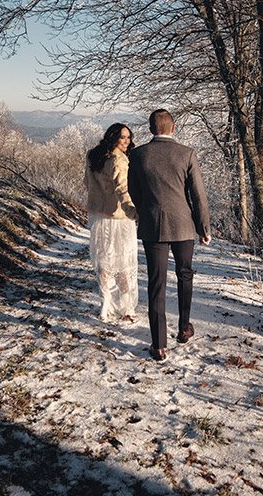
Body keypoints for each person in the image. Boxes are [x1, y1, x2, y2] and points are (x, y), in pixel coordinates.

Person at [128, 109, 211, 361]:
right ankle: (184, 328)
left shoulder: (138, 154)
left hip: (153, 226)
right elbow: (198, 195)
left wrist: (146, 211)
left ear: (151, 129)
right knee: (185, 274)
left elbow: (134, 191)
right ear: (172, 128)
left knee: (157, 283)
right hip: (183, 225)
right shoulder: (187, 154)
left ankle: (159, 345)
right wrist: (203, 228)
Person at [84, 124, 138, 322]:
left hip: (98, 216)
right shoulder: (119, 159)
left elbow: (86, 183)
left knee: (103, 260)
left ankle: (106, 303)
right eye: (123, 137)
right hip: (119, 218)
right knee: (124, 262)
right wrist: (133, 212)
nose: (127, 141)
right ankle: (126, 307)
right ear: (113, 137)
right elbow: (122, 189)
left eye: (128, 138)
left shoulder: (92, 155)